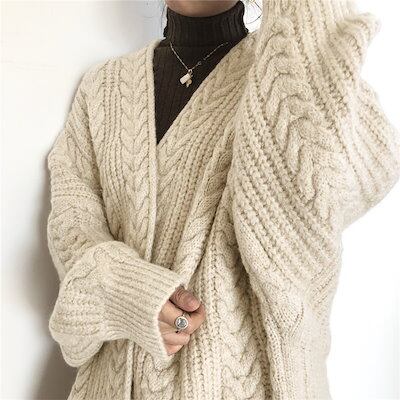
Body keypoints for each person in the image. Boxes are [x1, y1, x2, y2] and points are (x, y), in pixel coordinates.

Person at [46, 0, 400, 399]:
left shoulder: (290, 71)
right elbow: (73, 232)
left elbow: (322, 194)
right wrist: (128, 292)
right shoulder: (102, 89)